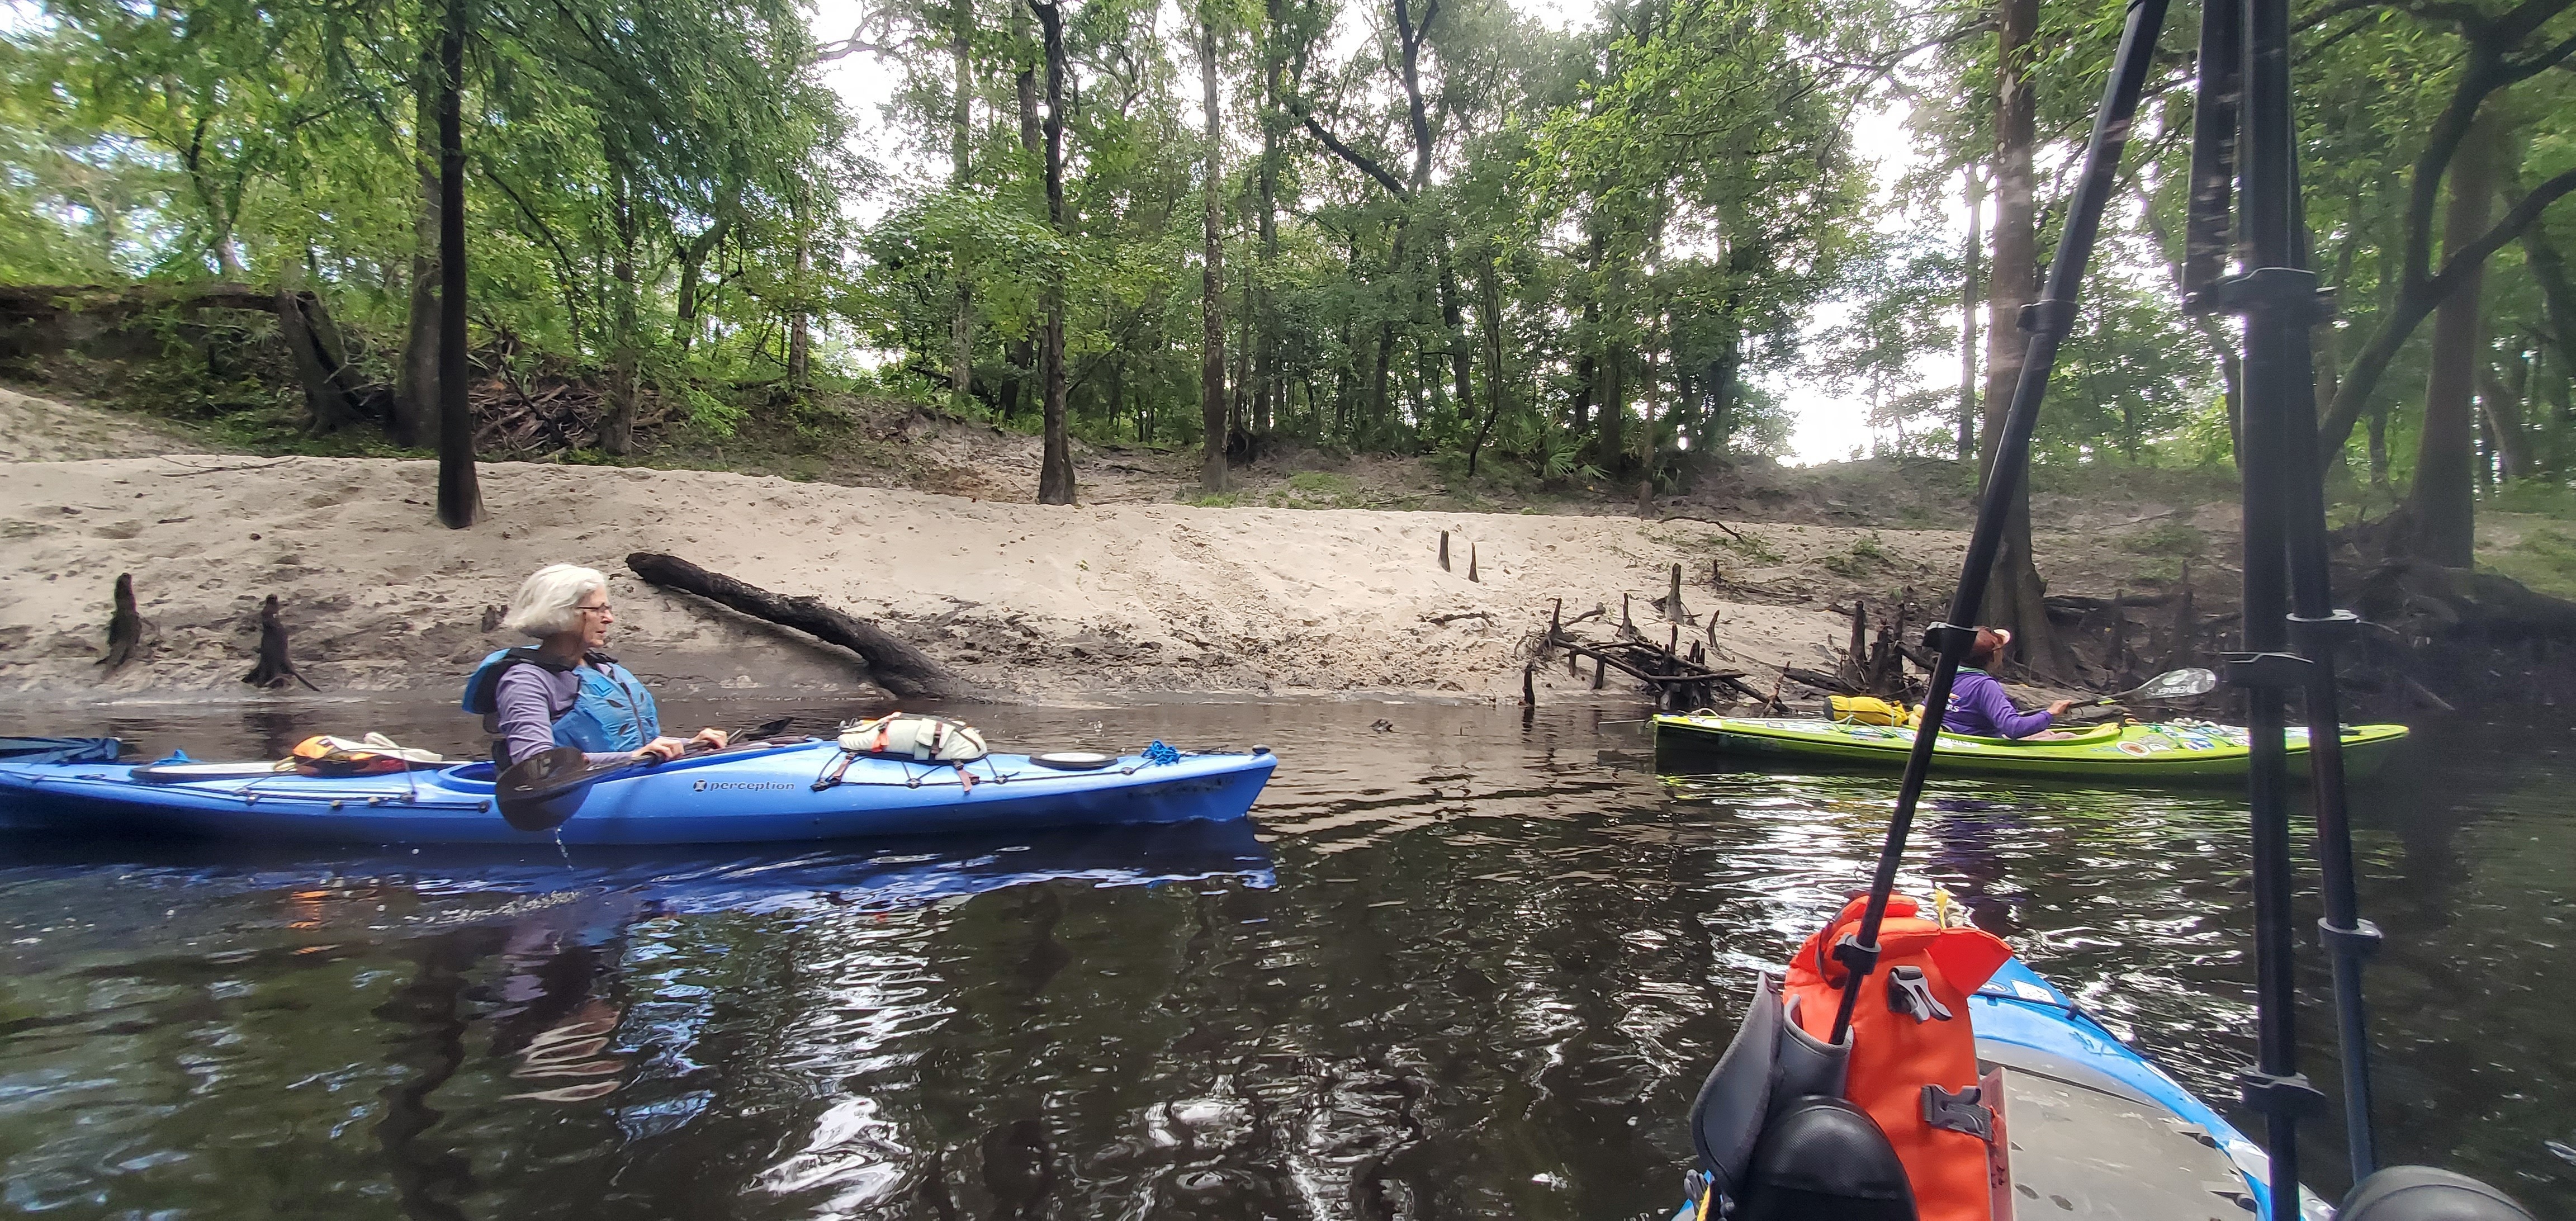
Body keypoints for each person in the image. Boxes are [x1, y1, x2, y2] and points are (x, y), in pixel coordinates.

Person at [462, 564, 728, 768]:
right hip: (573, 795)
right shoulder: (525, 681)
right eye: (599, 610)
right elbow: (536, 763)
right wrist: (632, 757)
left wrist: (690, 745)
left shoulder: (601, 669)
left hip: (630, 780)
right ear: (563, 612)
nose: (609, 618)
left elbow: (638, 746)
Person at [1936, 627, 2075, 740]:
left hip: (1956, 735)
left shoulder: (1946, 675)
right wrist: (2051, 713)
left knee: (2045, 734)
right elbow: (2013, 728)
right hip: (1980, 741)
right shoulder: (1985, 686)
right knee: (2067, 737)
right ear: (1993, 656)